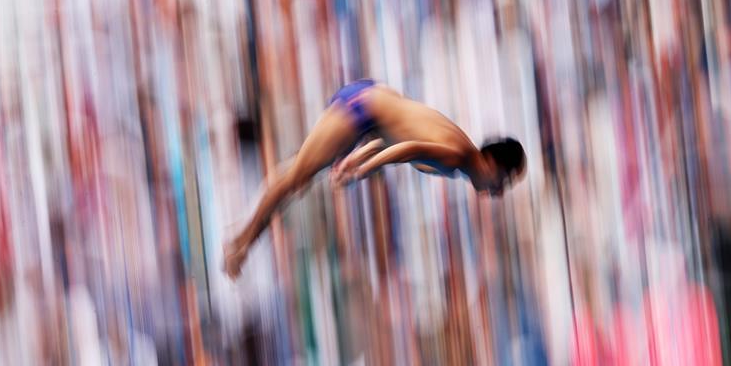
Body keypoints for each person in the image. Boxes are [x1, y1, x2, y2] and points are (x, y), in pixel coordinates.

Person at [222, 79, 526, 279]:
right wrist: (365, 169)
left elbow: (397, 138)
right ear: (494, 163)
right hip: (364, 109)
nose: (499, 192)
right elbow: (408, 149)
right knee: (297, 176)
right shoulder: (461, 157)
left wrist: (361, 157)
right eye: (505, 182)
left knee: (298, 177)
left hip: (369, 115)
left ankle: (241, 241)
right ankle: (241, 243)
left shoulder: (460, 160)